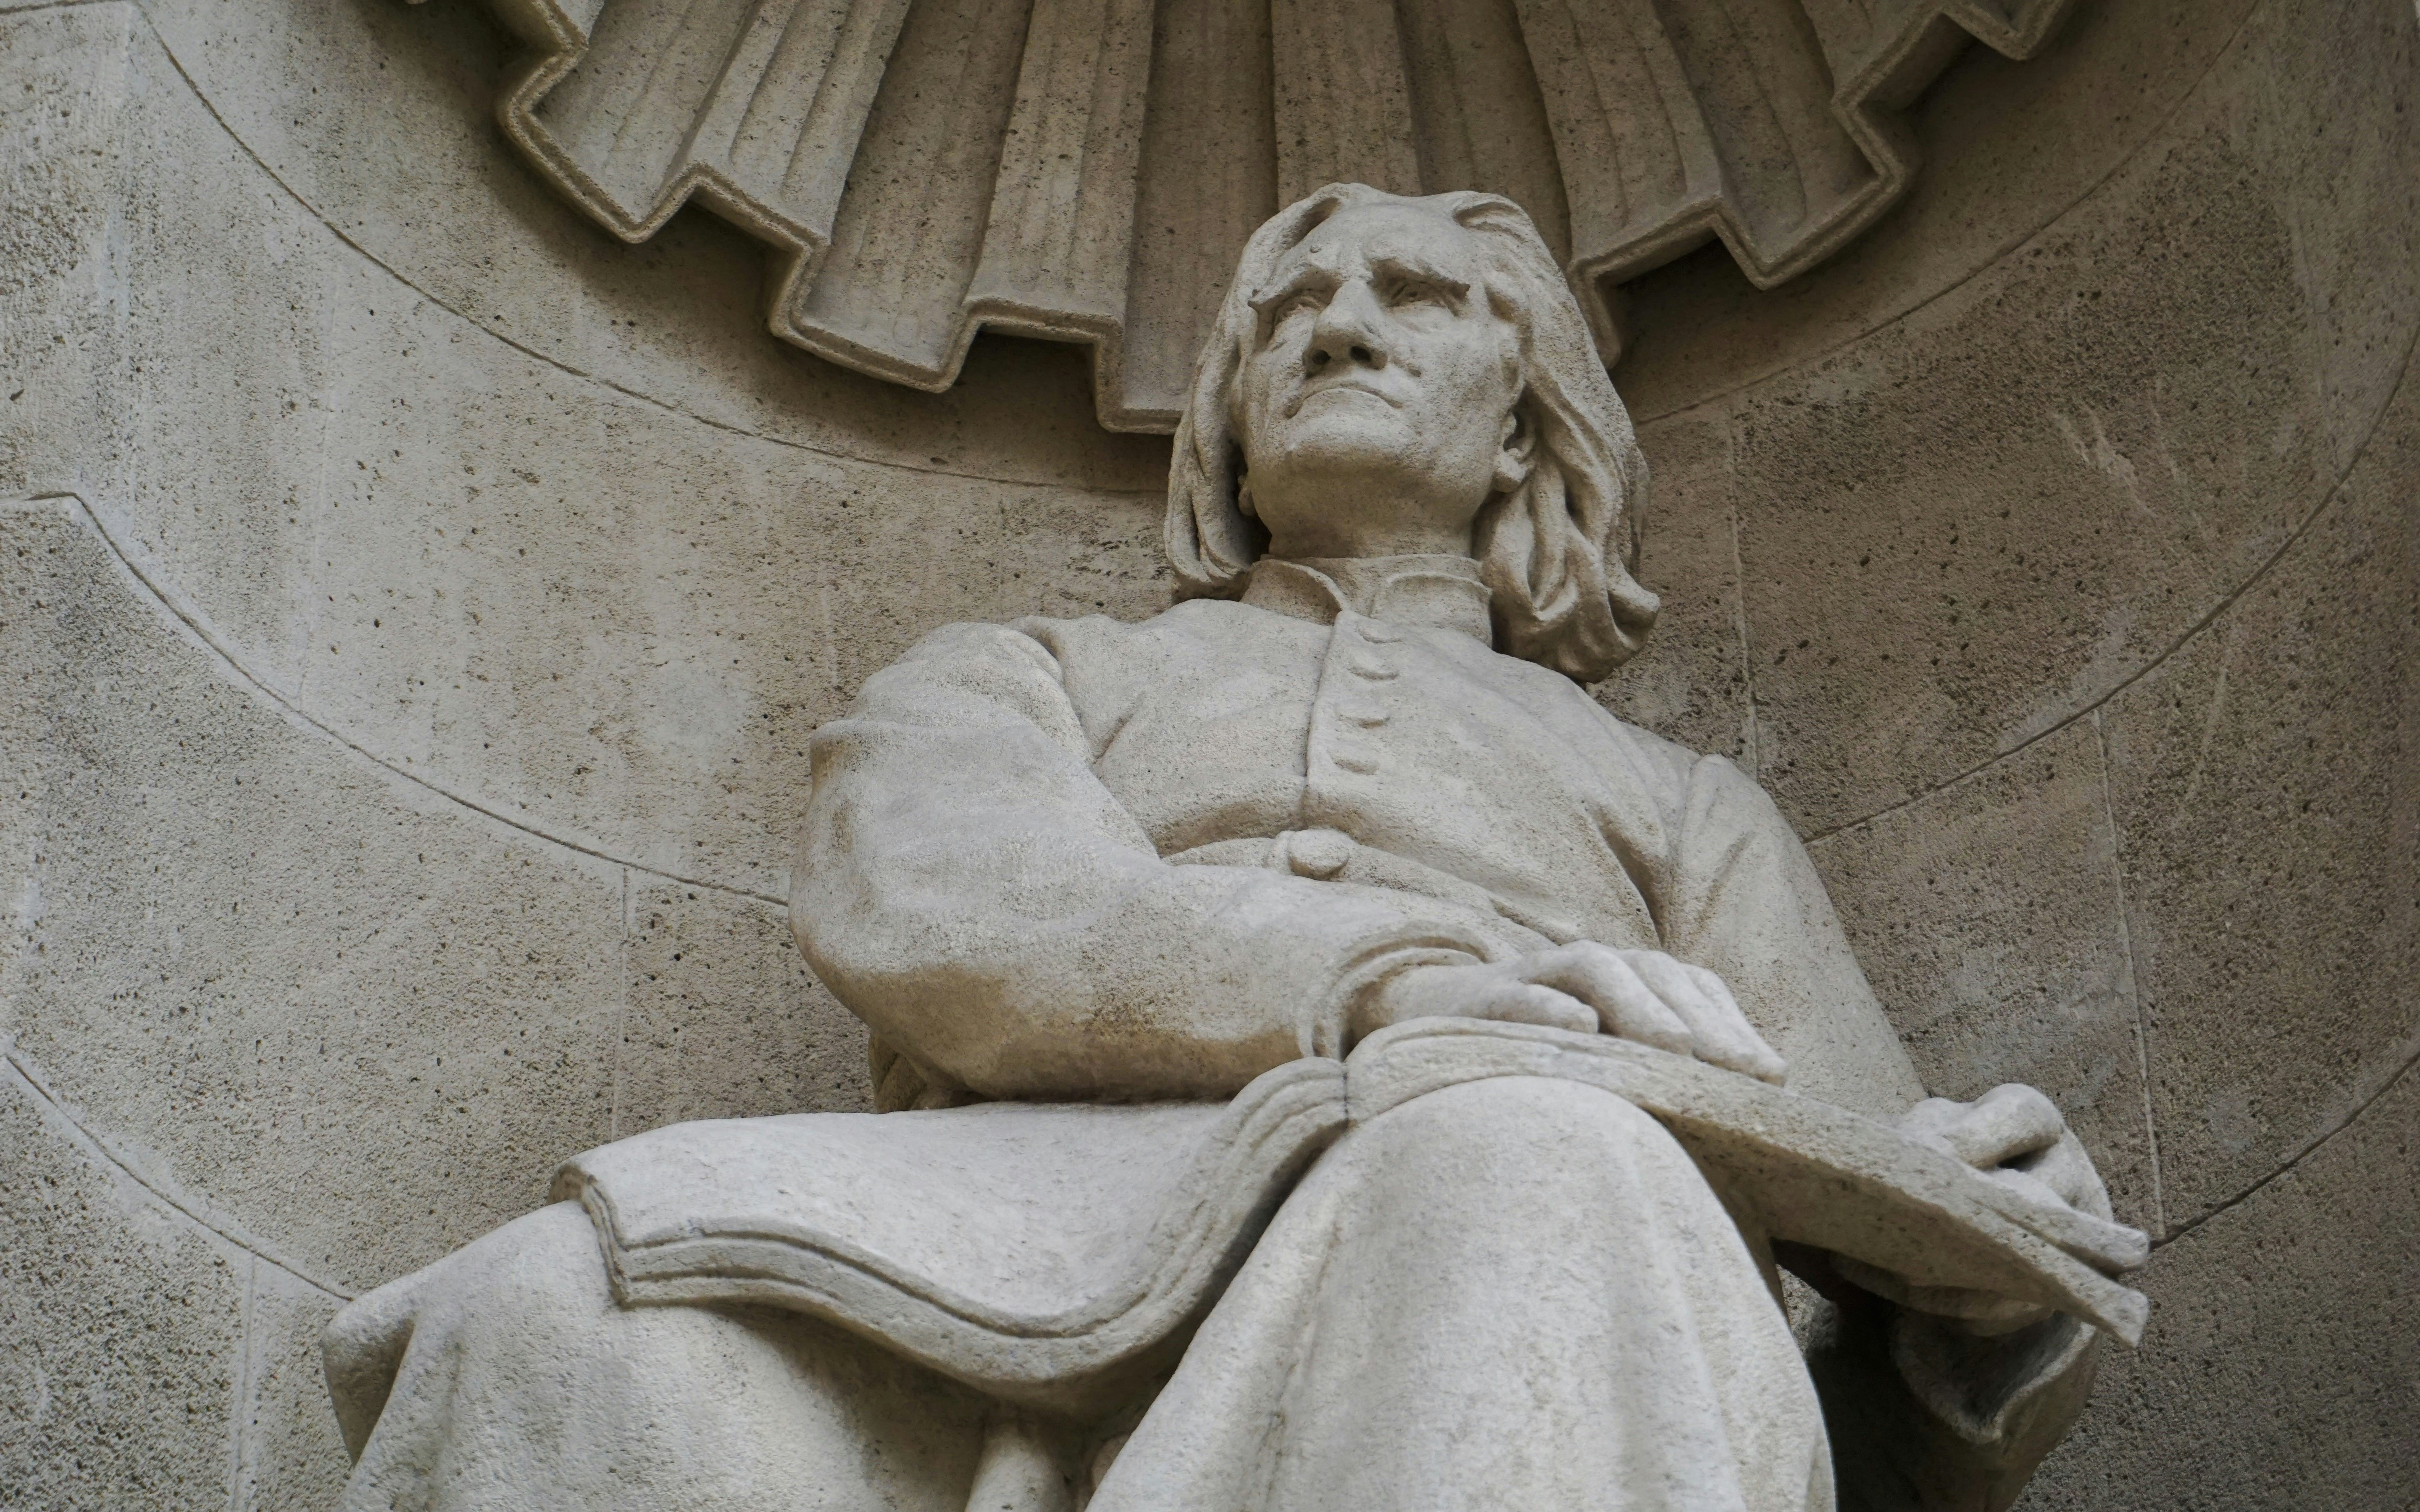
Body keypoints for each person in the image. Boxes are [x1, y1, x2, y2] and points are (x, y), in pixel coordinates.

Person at [325, 185, 2117, 1512]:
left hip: (1488, 1188)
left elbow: (1859, 1235)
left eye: (1415, 296)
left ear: (1522, 425)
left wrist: (1995, 1290)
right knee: (548, 1309)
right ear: (1236, 425)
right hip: (1018, 1208)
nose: (1339, 326)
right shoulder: (1038, 669)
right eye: (1291, 311)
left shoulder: (1684, 803)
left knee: (1537, 1157)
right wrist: (1391, 979)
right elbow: (940, 885)